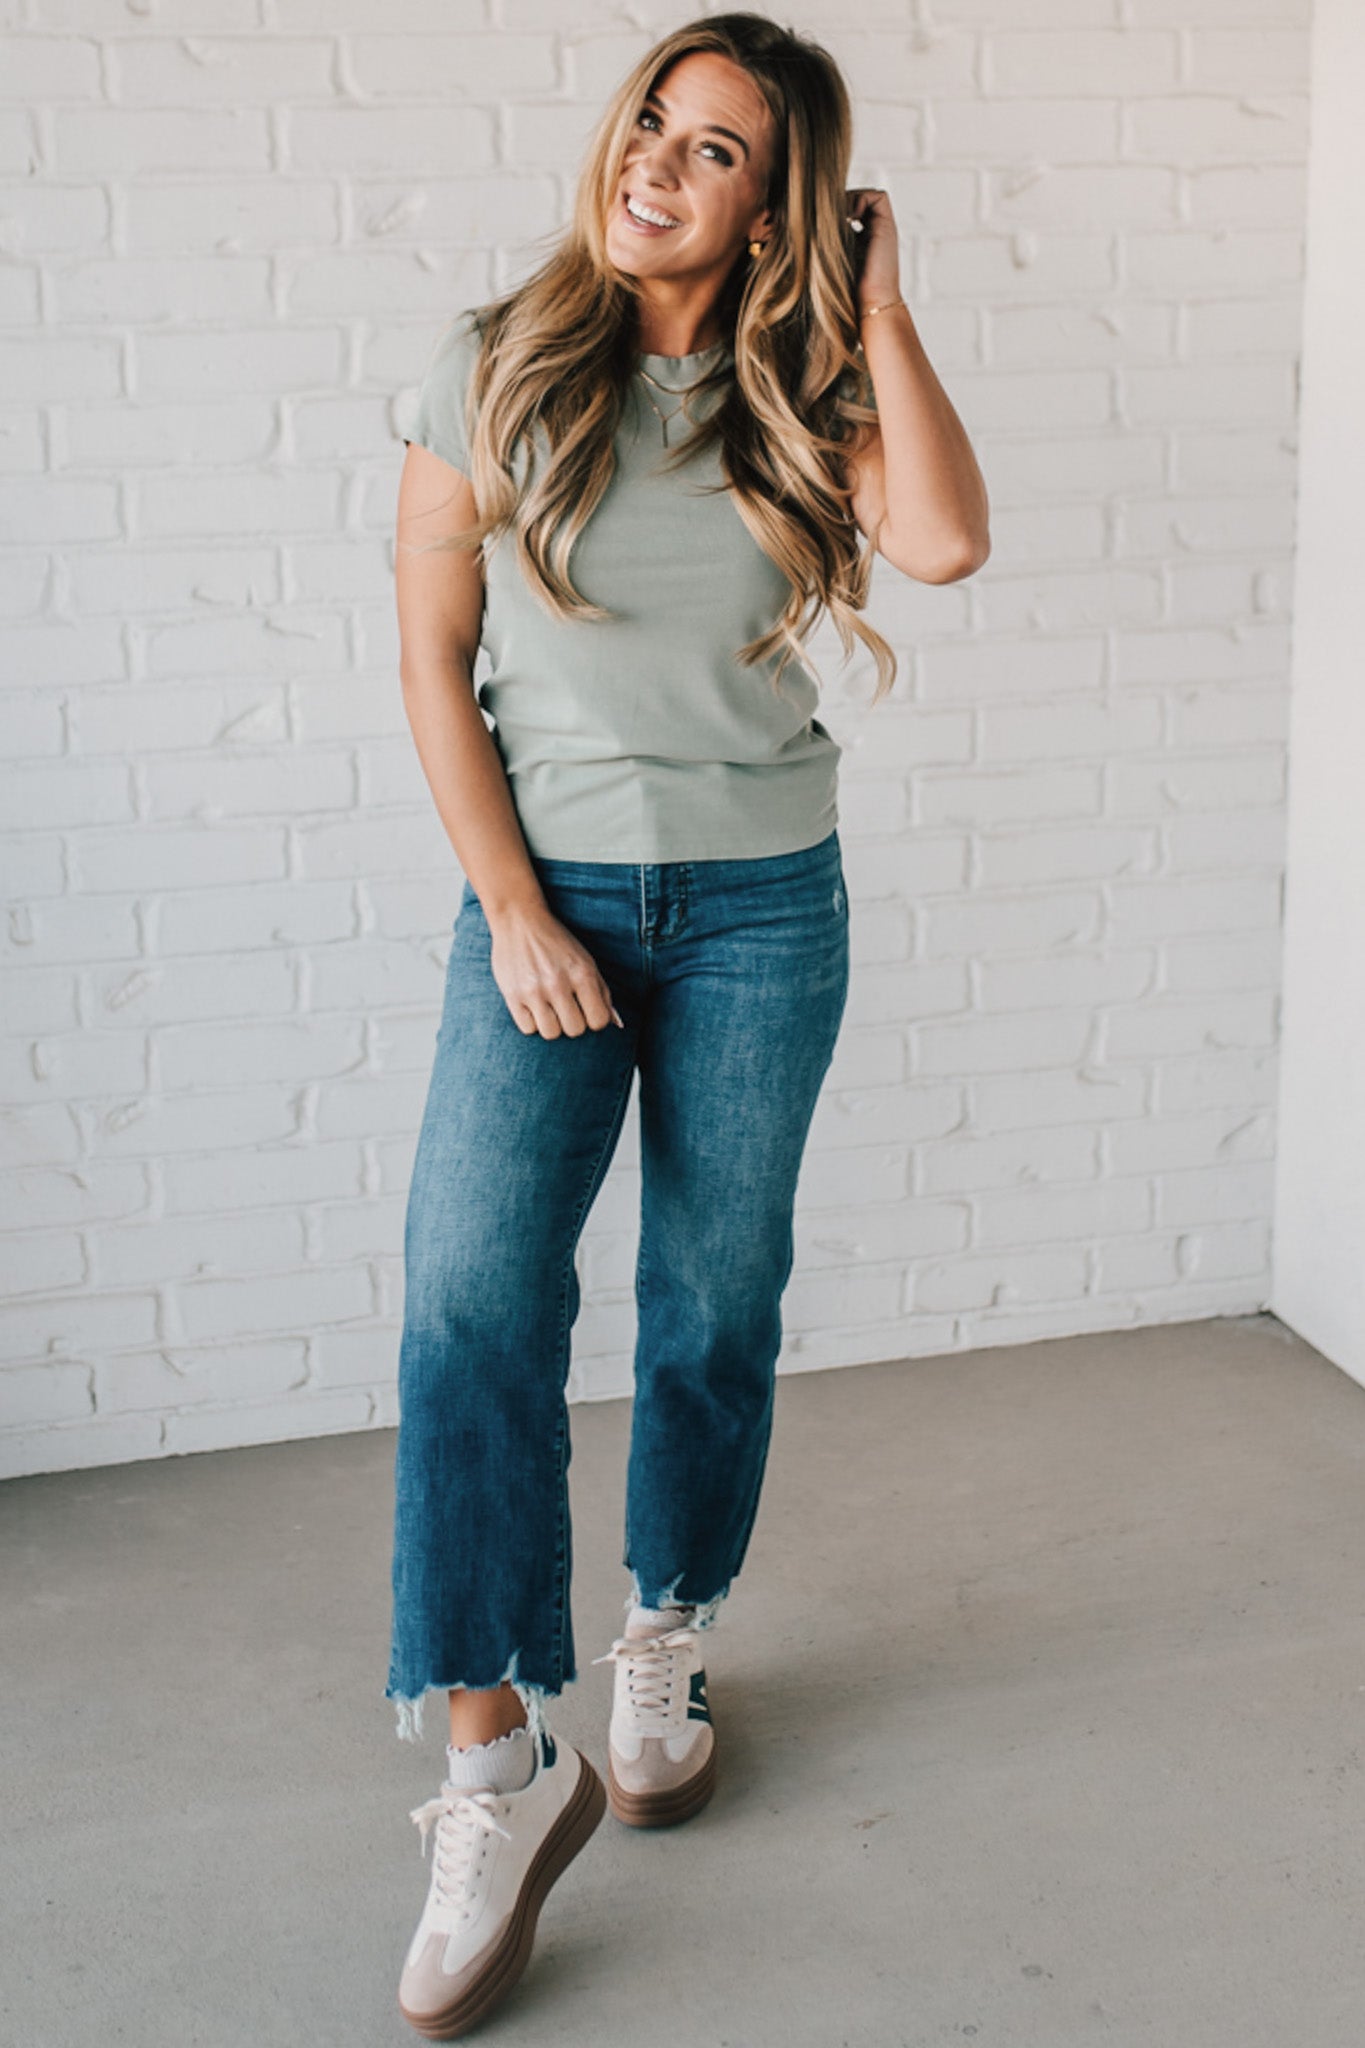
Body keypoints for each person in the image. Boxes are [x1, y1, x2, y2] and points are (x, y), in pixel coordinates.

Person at [386, 11, 989, 2037]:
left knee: (710, 1301)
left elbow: (942, 541)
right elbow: (430, 665)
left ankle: (662, 1638)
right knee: (469, 1307)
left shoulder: (803, 381)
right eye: (651, 121)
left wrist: (880, 309)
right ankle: (487, 1772)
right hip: (539, 901)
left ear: (774, 204)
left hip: (758, 909)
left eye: (716, 150)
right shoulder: (487, 362)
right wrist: (508, 909)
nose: (655, 161)